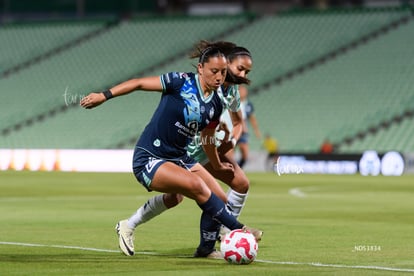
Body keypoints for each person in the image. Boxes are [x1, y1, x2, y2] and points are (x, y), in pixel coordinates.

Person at [80, 42, 262, 258]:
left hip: (179, 157)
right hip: (150, 157)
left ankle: (204, 249)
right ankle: (239, 229)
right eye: (214, 71)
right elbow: (138, 83)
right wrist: (104, 95)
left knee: (217, 199)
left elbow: (207, 138)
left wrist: (216, 163)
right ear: (201, 68)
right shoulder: (179, 82)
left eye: (223, 72)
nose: (219, 77)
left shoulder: (216, 103)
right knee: (197, 186)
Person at [236, 86, 262, 168]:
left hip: (244, 132)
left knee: (245, 154)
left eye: (243, 90)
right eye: (240, 90)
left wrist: (256, 130)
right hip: (233, 130)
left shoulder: (249, 104)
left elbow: (252, 118)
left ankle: (239, 169)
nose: (242, 92)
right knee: (228, 153)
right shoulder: (234, 102)